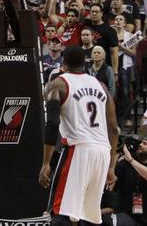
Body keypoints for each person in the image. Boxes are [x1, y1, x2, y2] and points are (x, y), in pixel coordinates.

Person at [39, 45, 119, 226]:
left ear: (63, 63)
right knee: (89, 215)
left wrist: (46, 163)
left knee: (60, 212)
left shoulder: (57, 84)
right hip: (103, 151)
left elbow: (52, 124)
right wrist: (112, 165)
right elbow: (114, 128)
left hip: (78, 149)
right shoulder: (101, 86)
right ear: (85, 63)